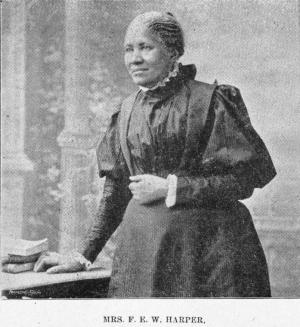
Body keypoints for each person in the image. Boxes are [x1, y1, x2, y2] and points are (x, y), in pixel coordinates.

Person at [34, 11, 276, 297]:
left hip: (210, 255)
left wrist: (172, 187)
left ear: (173, 52)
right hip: (143, 252)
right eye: (128, 49)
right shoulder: (125, 112)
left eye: (145, 47)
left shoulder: (210, 101)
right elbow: (115, 193)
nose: (134, 59)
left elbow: (244, 180)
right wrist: (83, 255)